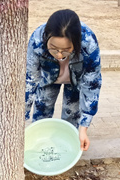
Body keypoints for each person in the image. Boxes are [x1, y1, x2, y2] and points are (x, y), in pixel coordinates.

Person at [26, 9, 102, 151]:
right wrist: (22, 116)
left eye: (66, 50)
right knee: (41, 113)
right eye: (53, 49)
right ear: (46, 37)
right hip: (47, 78)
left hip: (75, 81)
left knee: (72, 117)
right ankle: (39, 147)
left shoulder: (88, 43)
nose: (60, 55)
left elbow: (92, 84)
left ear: (76, 43)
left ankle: (68, 148)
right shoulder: (36, 40)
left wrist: (84, 128)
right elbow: (30, 79)